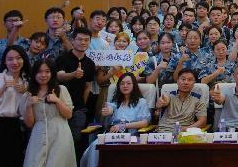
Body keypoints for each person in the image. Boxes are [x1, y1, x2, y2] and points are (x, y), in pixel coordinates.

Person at [80, 72, 151, 167]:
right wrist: (109, 111)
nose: (125, 86)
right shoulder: (115, 102)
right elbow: (110, 109)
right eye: (122, 83)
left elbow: (145, 122)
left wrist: (124, 125)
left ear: (134, 85)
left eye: (128, 83)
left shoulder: (141, 102)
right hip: (112, 134)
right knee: (95, 145)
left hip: (130, 135)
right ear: (119, 86)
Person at [23, 59, 75, 167]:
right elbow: (29, 124)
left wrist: (57, 100)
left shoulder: (61, 89)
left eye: (47, 71)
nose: (43, 75)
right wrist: (28, 106)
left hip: (60, 135)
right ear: (34, 74)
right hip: (38, 136)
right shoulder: (28, 94)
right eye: (39, 72)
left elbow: (68, 114)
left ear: (52, 73)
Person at [54, 26, 95, 154]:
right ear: (72, 40)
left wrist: (82, 104)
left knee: (75, 140)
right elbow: (59, 76)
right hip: (59, 106)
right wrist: (73, 74)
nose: (83, 42)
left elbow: (87, 87)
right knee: (59, 140)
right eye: (80, 39)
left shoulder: (90, 63)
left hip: (79, 108)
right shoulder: (62, 58)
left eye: (86, 40)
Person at [155, 69, 208, 133]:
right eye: (183, 79)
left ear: (194, 83)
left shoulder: (198, 99)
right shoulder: (169, 94)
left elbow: (202, 122)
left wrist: (186, 129)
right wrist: (161, 102)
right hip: (163, 131)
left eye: (190, 80)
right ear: (177, 81)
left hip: (185, 133)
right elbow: (164, 100)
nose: (186, 82)